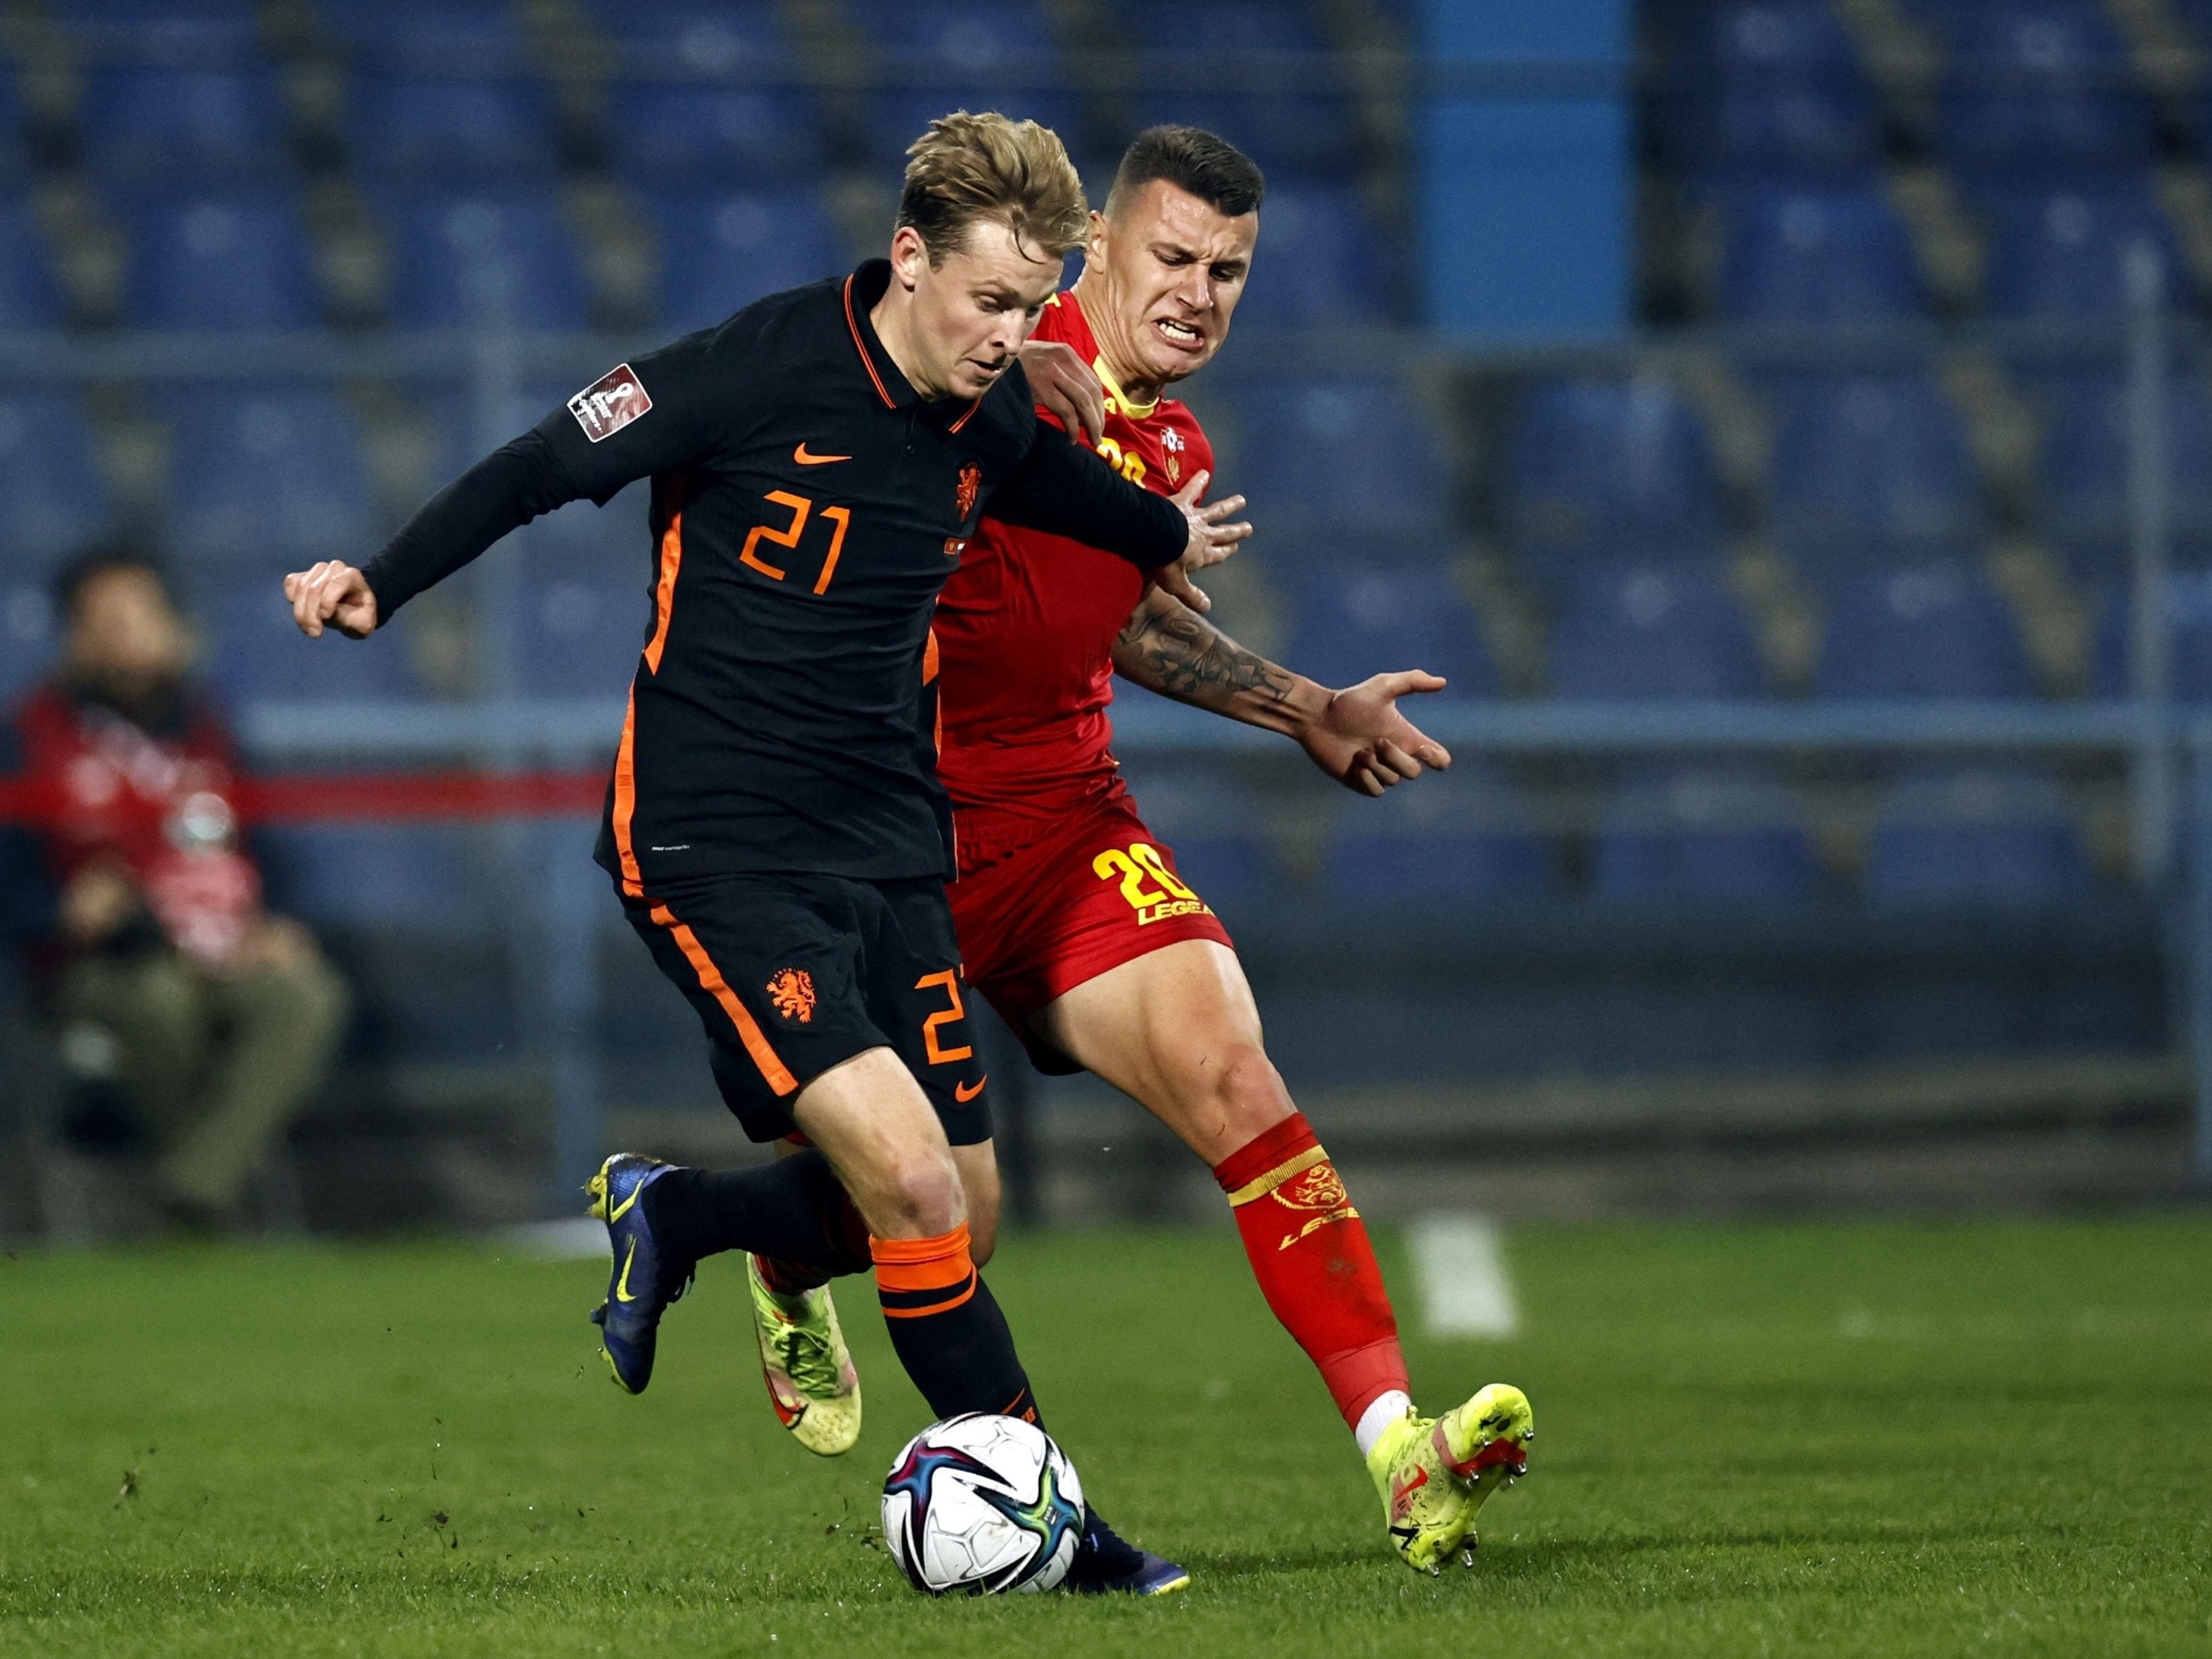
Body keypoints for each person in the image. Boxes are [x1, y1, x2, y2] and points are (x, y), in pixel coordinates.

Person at [283, 113, 1246, 1594]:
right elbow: (538, 464)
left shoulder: (984, 419)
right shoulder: (750, 367)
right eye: (989, 297)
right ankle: (1065, 1531)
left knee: (959, 1210)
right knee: (915, 1186)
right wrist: (377, 581)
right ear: (909, 258)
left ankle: (687, 1207)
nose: (1010, 334)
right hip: (713, 838)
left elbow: (1067, 497)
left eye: (1030, 304)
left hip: (883, 841)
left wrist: (1154, 519)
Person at [736, 127, 1533, 1575]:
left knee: (1239, 1076)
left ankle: (1401, 1451)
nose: (1198, 292)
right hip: (881, 836)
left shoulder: (1168, 443)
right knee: (930, 1214)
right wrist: (998, 391)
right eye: (1170, 256)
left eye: (1228, 269)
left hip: (1060, 827)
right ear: (1093, 242)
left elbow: (1121, 618)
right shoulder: (973, 354)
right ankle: (782, 1258)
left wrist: (1305, 703)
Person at [9, 549, 349, 1230]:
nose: (125, 634)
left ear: (174, 626)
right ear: (74, 637)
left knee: (306, 994)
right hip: (105, 963)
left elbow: (266, 853)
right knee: (162, 1002)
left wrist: (275, 923)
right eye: (105, 620)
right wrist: (62, 911)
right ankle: (218, 1197)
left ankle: (191, 1188)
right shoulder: (28, 737)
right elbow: (12, 884)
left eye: (139, 615)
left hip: (223, 950)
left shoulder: (209, 730)